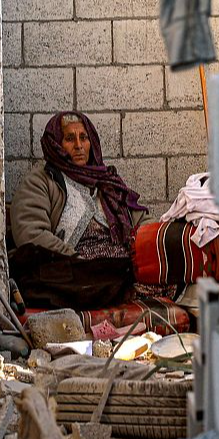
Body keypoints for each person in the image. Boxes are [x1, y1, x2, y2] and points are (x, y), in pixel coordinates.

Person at [9, 111, 153, 309]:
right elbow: (30, 233)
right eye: (69, 139)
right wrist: (76, 259)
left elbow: (140, 221)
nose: (78, 146)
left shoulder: (107, 183)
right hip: (74, 273)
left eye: (83, 138)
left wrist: (156, 243)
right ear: (56, 145)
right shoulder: (41, 182)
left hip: (121, 268)